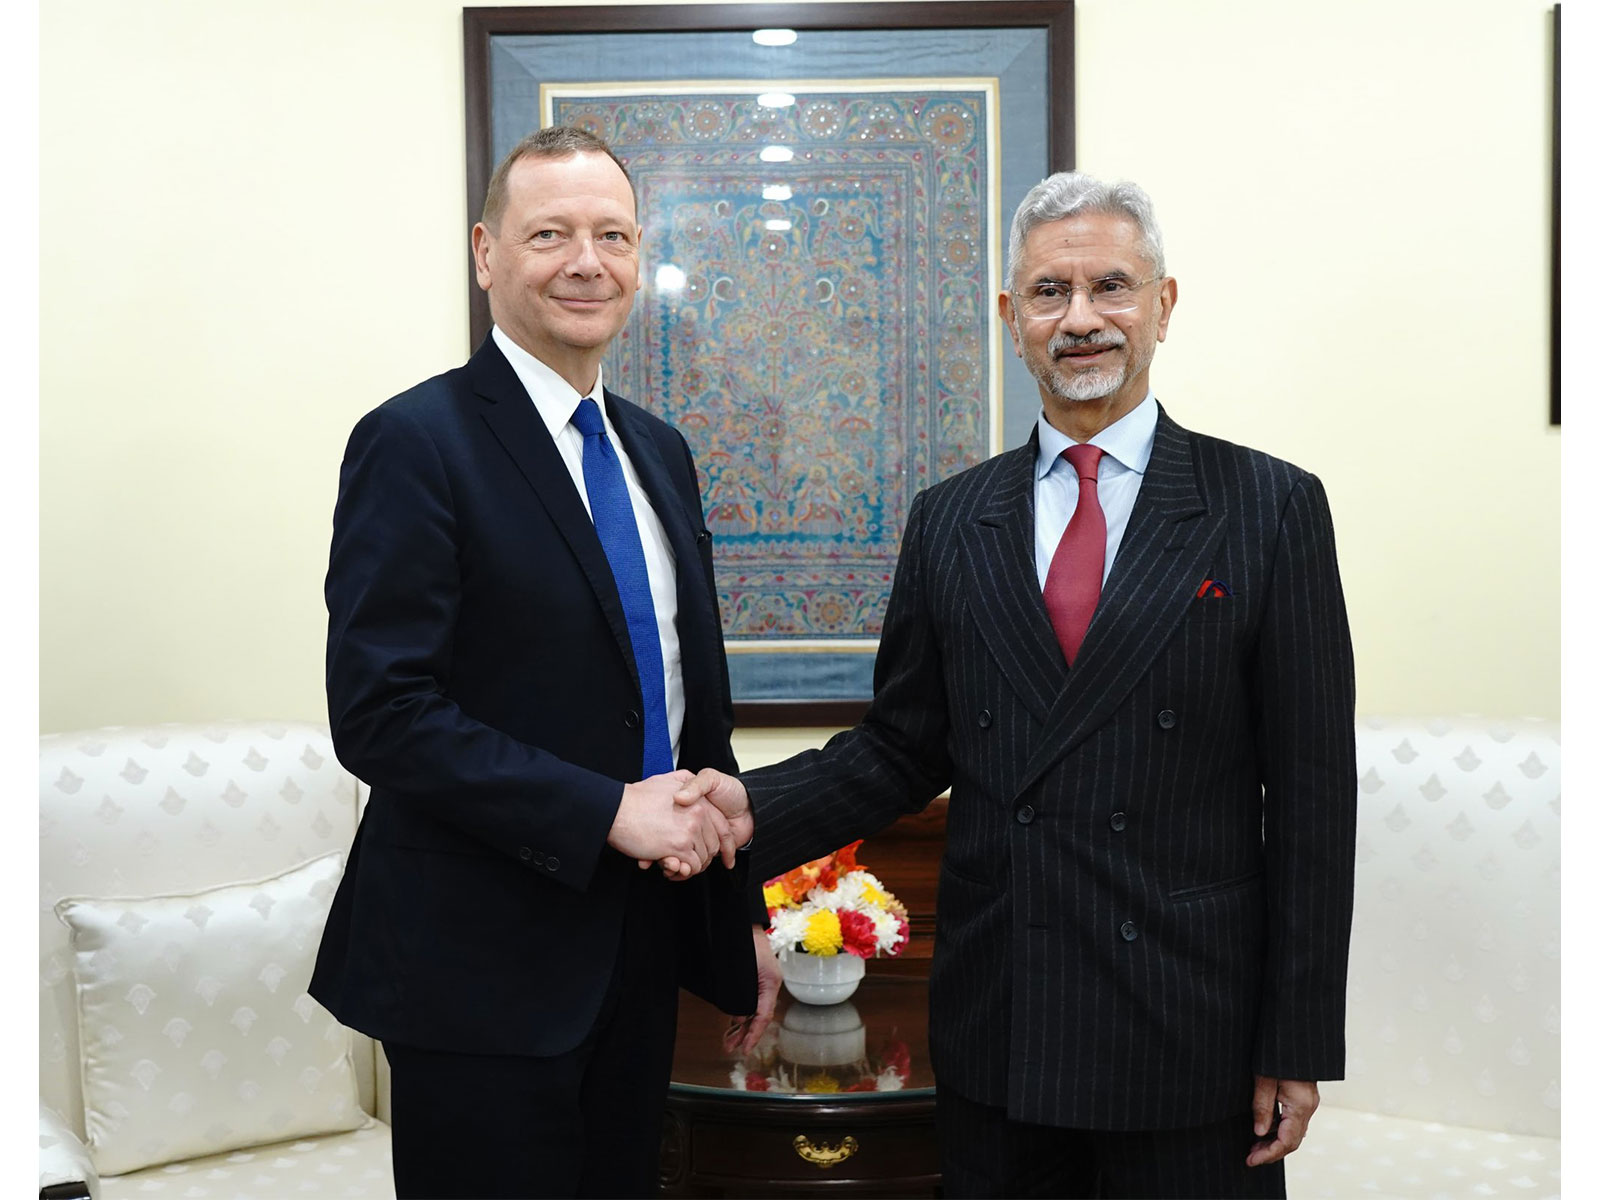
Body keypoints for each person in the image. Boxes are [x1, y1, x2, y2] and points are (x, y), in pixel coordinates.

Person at [675, 170, 1357, 1198]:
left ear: (1162, 306)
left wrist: (1295, 1038)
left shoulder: (1267, 507)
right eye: (1048, 293)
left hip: (1188, 1030)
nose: (1079, 319)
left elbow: (1312, 802)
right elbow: (903, 747)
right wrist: (743, 811)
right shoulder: (950, 517)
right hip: (1005, 1022)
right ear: (1010, 317)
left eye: (1110, 287)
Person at [309, 126, 777, 1199]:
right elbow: (381, 712)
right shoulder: (414, 441)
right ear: (485, 253)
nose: (586, 260)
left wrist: (738, 911)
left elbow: (689, 710)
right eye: (550, 233)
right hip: (477, 973)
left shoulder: (657, 449)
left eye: (612, 234)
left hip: (641, 952)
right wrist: (604, 810)